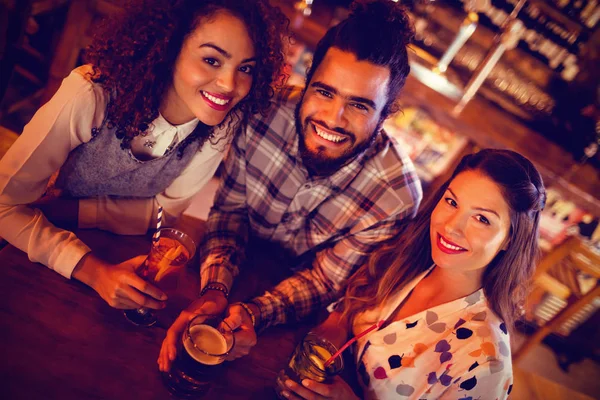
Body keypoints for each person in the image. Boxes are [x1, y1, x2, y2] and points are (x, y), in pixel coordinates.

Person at [158, 0, 423, 371]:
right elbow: (231, 212)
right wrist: (215, 290)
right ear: (306, 80)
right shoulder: (261, 110)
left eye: (360, 105)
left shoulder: (395, 196)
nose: (333, 119)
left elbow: (324, 280)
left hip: (297, 315)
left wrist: (253, 314)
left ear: (385, 115)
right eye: (325, 92)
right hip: (220, 261)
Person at [0, 0, 287, 309]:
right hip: (29, 250)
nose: (231, 85)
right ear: (170, 46)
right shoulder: (90, 95)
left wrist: (67, 210)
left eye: (245, 68)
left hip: (108, 253)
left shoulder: (219, 123)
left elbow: (164, 212)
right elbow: (5, 207)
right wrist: (94, 272)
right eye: (212, 60)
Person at [278, 149, 546, 400]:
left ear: (510, 240)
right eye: (452, 202)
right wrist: (333, 329)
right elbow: (349, 307)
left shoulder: (485, 364)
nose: (452, 226)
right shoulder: (407, 257)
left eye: (482, 219)